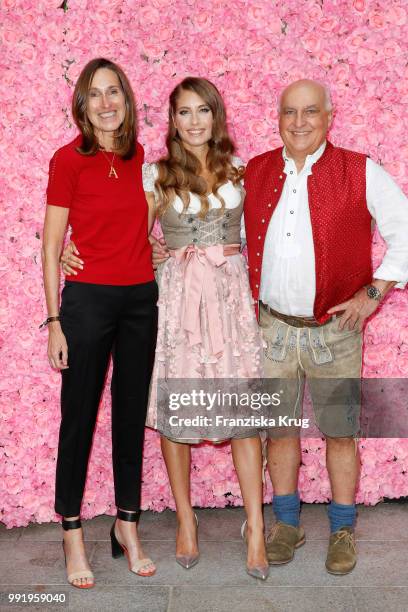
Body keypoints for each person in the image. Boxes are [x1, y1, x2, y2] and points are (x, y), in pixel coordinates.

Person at [61, 77, 269, 581]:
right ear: (172, 121)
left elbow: (260, 232)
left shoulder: (244, 171)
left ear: (216, 117)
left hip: (229, 303)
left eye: (203, 111)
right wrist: (73, 249)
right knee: (177, 410)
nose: (194, 122)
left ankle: (257, 529)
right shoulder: (155, 176)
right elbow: (125, 230)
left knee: (242, 412)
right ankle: (185, 520)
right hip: (177, 302)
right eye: (184, 113)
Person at [243, 79, 408, 575]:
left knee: (340, 433)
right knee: (280, 431)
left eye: (310, 111)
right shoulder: (255, 170)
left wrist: (373, 294)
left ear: (329, 115)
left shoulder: (360, 170)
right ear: (278, 117)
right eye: (290, 112)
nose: (299, 122)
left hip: (334, 332)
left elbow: (404, 231)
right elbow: (215, 226)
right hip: (272, 329)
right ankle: (287, 524)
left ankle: (341, 530)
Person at [41, 58, 158, 588]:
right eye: (95, 94)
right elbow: (51, 246)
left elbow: (147, 223)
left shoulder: (142, 161)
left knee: (131, 415)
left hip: (140, 300)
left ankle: (127, 525)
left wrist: (153, 245)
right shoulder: (67, 161)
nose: (107, 102)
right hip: (86, 303)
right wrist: (54, 320)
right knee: (79, 417)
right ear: (82, 106)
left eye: (115, 92)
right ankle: (70, 531)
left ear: (127, 101)